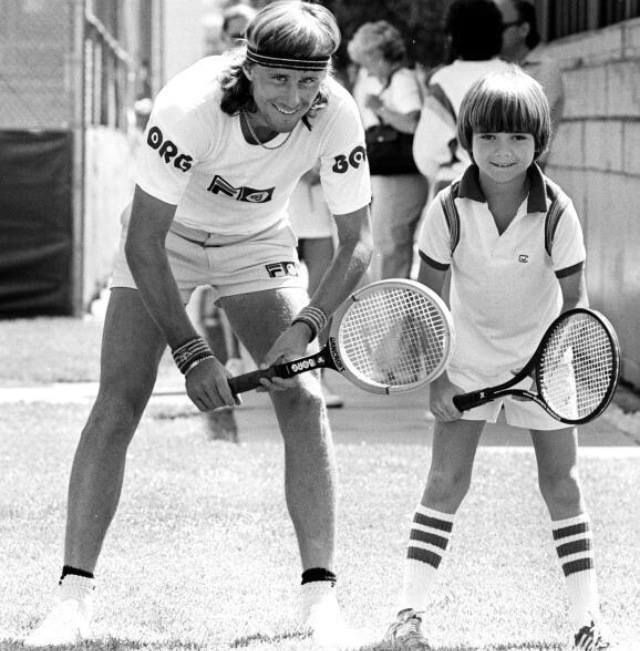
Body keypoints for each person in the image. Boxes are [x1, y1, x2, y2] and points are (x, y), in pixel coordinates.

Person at [24, 1, 373, 647]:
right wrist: (192, 352)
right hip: (168, 240)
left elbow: (357, 241)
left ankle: (322, 602)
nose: (294, 97)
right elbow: (145, 243)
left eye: (309, 81)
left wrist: (308, 326)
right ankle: (70, 602)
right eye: (279, 80)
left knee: (303, 396)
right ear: (249, 66)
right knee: (119, 400)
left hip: (258, 240)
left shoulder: (337, 112)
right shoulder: (190, 104)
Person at [383, 68, 614, 651]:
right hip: (466, 363)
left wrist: (556, 362)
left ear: (540, 141)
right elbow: (427, 301)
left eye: (517, 138)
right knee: (445, 480)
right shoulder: (447, 209)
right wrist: (437, 378)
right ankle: (408, 617)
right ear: (466, 140)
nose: (502, 151)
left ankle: (588, 622)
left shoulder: (559, 210)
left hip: (544, 361)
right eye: (488, 138)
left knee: (561, 484)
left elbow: (575, 301)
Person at [347, 21, 428, 281]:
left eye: (365, 62)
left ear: (376, 56)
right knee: (386, 244)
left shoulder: (402, 80)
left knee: (390, 246)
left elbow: (414, 123)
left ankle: (393, 315)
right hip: (390, 178)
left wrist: (379, 108)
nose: (365, 71)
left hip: (400, 178)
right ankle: (390, 311)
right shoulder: (389, 80)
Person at [412, 0, 510, 198]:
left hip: (459, 189)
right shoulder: (517, 77)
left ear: (452, 37)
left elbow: (428, 152)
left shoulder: (444, 81)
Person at [289, 164, 345, 408]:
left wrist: (321, 170)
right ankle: (282, 370)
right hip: (277, 214)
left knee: (323, 294)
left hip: (319, 216)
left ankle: (316, 373)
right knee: (278, 296)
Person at [495, 0, 565, 166]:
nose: (494, 33)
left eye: (501, 28)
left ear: (524, 29)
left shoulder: (546, 68)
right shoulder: (499, 67)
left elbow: (526, 124)